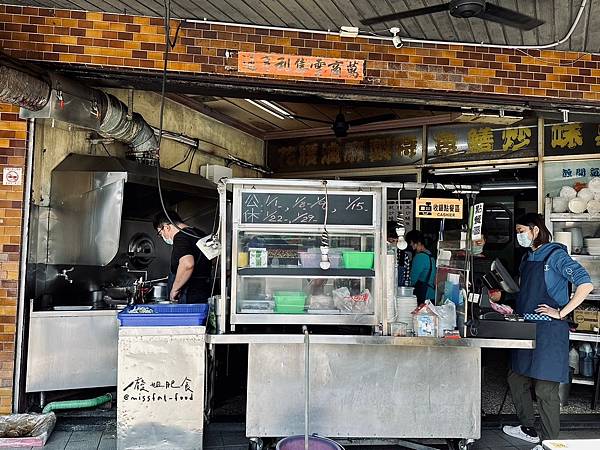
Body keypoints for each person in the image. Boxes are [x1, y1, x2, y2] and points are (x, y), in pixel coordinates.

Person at [502, 213, 593, 450]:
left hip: (550, 331)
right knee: (516, 377)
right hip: (527, 328)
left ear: (534, 230)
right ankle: (527, 428)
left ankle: (550, 441)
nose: (518, 236)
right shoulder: (528, 257)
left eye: (521, 230)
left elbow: (586, 283)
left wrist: (562, 312)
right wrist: (502, 297)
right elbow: (523, 291)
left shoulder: (556, 255)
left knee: (545, 388)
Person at [153, 210, 213, 303]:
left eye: (160, 233)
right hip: (204, 291)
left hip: (189, 295)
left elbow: (187, 264)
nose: (163, 236)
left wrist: (175, 289)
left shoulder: (180, 237)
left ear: (166, 227)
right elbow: (214, 260)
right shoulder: (200, 233)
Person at [405, 230, 436, 304]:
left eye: (412, 243)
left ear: (417, 242)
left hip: (424, 295)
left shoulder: (419, 257)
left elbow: (412, 279)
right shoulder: (430, 255)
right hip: (432, 294)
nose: (411, 246)